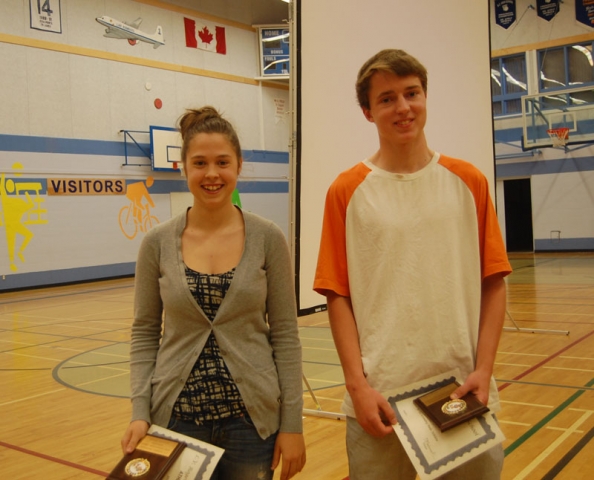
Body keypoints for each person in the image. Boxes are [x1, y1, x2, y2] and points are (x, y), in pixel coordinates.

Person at [313, 49, 512, 479]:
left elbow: (494, 282)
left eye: (412, 93)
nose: (403, 108)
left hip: (464, 393)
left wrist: (484, 370)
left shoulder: (470, 181)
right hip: (380, 404)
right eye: (387, 99)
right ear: (368, 112)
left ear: (425, 97)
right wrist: (358, 388)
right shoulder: (346, 191)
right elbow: (337, 295)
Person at [121, 106, 306, 480]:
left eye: (222, 162)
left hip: (251, 426)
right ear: (184, 168)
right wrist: (140, 412)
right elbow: (144, 334)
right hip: (176, 421)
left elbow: (286, 335)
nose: (211, 174)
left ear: (238, 165)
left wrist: (293, 424)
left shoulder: (268, 238)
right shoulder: (156, 244)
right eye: (200, 163)